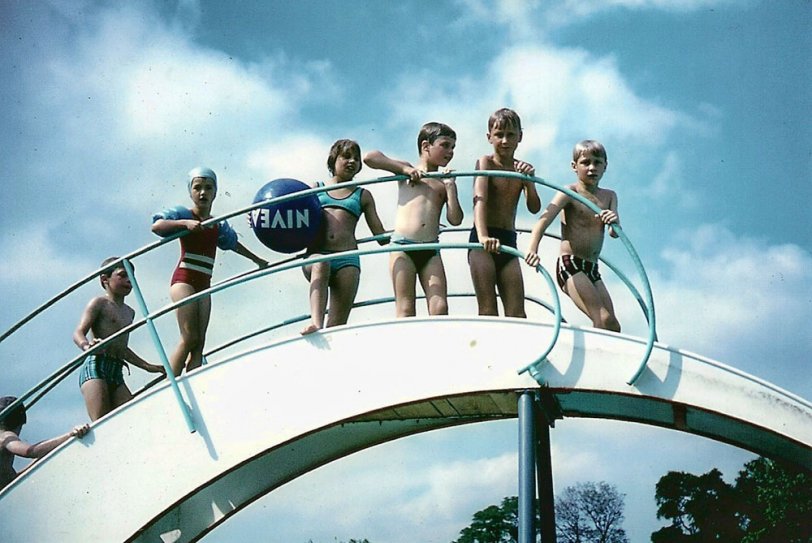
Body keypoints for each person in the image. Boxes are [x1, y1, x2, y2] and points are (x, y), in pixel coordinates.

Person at [152, 167, 268, 376]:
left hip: (204, 283)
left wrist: (257, 260)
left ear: (215, 192)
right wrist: (184, 224)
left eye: (208, 188)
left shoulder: (217, 224)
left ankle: (194, 383)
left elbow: (233, 244)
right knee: (189, 337)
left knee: (199, 343)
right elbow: (158, 226)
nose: (203, 193)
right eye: (197, 188)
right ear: (190, 192)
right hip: (184, 280)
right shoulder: (185, 214)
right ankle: (169, 384)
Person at [364, 122, 463, 317]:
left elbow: (455, 219)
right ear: (426, 146)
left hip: (430, 249)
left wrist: (451, 188)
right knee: (405, 308)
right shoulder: (407, 170)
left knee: (440, 307)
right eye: (445, 145)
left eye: (453, 147)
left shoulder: (444, 182)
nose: (450, 152)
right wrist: (405, 170)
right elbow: (370, 158)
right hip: (403, 247)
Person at [524, 140, 621, 332]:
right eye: (586, 163)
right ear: (574, 166)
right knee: (601, 317)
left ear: (605, 166)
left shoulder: (609, 196)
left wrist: (614, 221)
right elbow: (543, 221)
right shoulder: (570, 192)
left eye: (597, 162)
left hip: (592, 267)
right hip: (571, 264)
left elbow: (613, 232)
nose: (592, 168)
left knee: (613, 325)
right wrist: (532, 249)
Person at [301, 139, 388, 335]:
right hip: (317, 254)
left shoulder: (363, 195)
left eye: (356, 159)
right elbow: (287, 213)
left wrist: (405, 232)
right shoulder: (316, 188)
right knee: (321, 264)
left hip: (347, 259)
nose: (352, 162)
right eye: (346, 157)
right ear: (334, 159)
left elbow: (380, 235)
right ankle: (315, 322)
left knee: (337, 327)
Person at [469, 107, 541, 318]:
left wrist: (530, 182)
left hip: (508, 239)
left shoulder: (521, 169)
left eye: (510, 135)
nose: (504, 141)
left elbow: (534, 207)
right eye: (499, 135)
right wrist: (482, 236)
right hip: (483, 239)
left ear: (520, 136)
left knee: (517, 312)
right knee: (488, 308)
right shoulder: (486, 163)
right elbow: (479, 200)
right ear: (489, 137)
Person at [73, 257, 166, 421]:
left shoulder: (129, 312)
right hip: (97, 365)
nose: (128, 280)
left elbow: (121, 347)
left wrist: (148, 367)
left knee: (130, 418)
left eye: (131, 276)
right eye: (122, 275)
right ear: (105, 279)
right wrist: (87, 346)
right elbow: (78, 333)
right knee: (102, 423)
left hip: (117, 370)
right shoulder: (99, 303)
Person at [0, 396, 90, 491]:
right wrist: (70, 435)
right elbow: (30, 451)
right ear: (18, 423)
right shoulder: (5, 436)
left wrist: (41, 459)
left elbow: (10, 481)